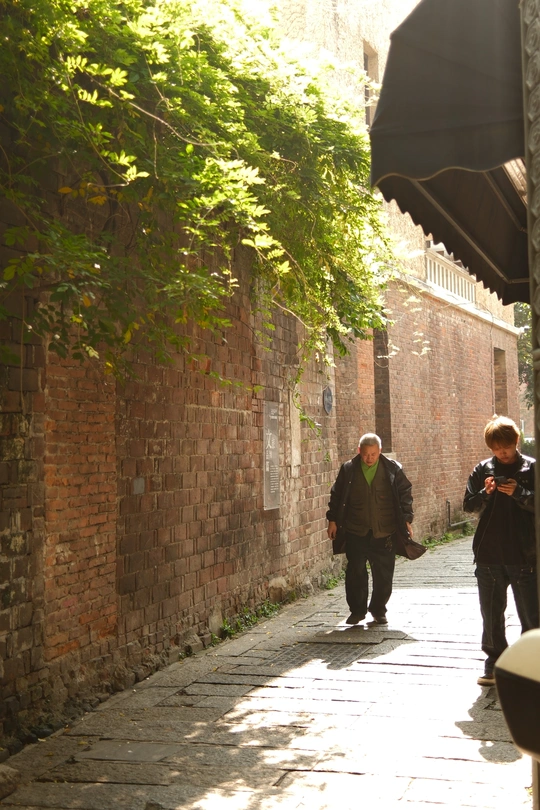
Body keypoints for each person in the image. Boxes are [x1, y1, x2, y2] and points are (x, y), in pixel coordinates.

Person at [463, 415, 538, 686]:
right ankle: (494, 662)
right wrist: (485, 493)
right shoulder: (482, 469)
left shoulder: (532, 468)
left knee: (531, 614)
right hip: (489, 554)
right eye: (496, 448)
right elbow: (468, 505)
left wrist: (519, 492)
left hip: (524, 554)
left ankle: (531, 663)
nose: (502, 453)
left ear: (516, 441)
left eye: (505, 447)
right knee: (491, 614)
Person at [327, 433, 414, 626]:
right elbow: (337, 495)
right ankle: (357, 611)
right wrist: (332, 520)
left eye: (373, 454)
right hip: (356, 529)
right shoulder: (349, 469)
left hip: (385, 530)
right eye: (366, 454)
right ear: (359, 451)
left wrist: (407, 520)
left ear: (380, 451)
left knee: (384, 574)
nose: (369, 458)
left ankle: (378, 609)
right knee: (355, 571)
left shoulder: (393, 469)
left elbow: (405, 495)